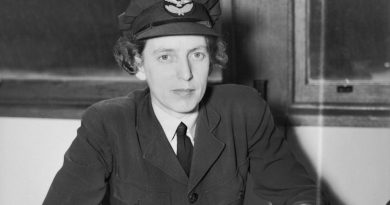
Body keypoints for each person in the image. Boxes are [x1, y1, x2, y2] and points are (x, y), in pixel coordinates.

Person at [43, 0, 328, 204]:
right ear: (138, 63)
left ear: (212, 58)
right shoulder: (107, 124)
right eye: (166, 56)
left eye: (197, 54)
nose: (186, 74)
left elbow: (296, 191)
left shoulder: (244, 110)